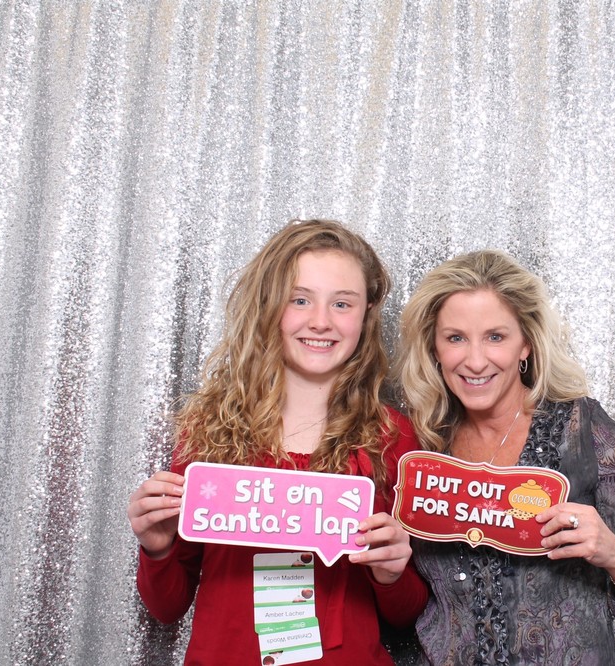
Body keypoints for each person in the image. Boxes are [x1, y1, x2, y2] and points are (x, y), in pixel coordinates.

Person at [127, 219, 428, 665]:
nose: (320, 321)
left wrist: (391, 573)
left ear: (366, 316)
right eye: (299, 299)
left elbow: (408, 614)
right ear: (269, 305)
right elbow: (167, 606)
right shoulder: (208, 431)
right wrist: (158, 546)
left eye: (341, 303)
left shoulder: (392, 438)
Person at [396, 250, 615, 664]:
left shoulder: (582, 430)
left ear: (525, 344)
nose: (475, 360)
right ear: (434, 348)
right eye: (455, 338)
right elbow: (405, 600)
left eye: (495, 337)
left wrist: (614, 552)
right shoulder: (420, 446)